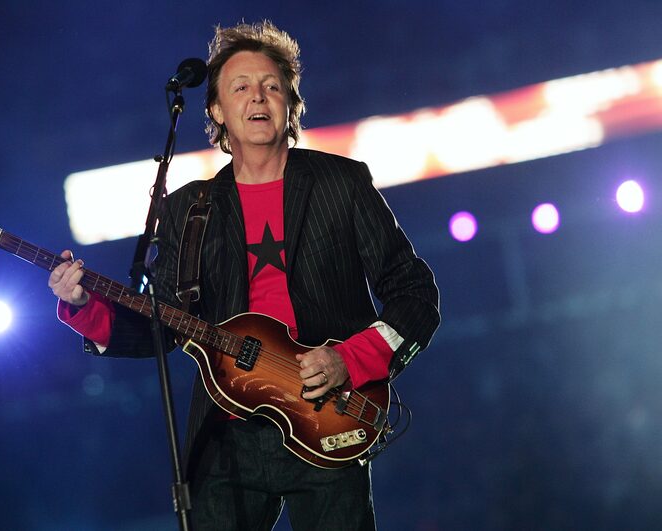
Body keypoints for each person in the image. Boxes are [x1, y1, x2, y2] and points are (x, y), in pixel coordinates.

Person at [49, 20, 440, 531]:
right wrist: (84, 307)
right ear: (216, 111)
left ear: (290, 105)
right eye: (241, 87)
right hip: (226, 439)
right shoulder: (188, 208)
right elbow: (164, 325)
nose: (259, 96)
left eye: (272, 86)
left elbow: (415, 294)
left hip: (331, 418)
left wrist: (349, 359)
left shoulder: (341, 183)